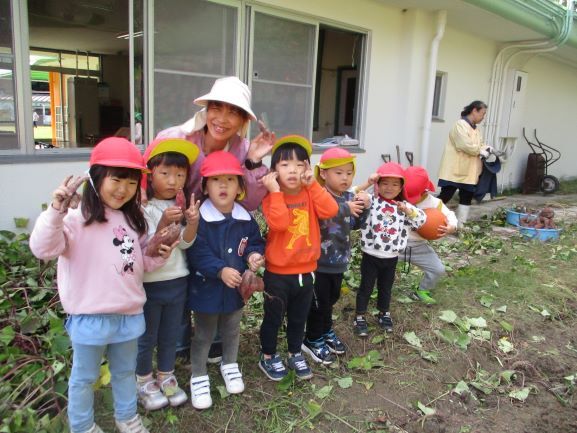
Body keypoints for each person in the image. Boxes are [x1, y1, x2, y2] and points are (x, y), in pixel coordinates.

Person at [29, 137, 178, 433]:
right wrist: (55, 210)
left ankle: (127, 417)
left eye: (132, 182)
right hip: (90, 317)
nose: (123, 189)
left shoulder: (133, 220)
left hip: (128, 315)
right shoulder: (75, 219)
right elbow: (43, 248)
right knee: (84, 378)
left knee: (124, 372)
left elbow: (138, 264)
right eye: (116, 179)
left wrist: (158, 255)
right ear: (96, 178)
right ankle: (83, 425)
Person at [155, 76, 275, 362]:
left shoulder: (243, 149)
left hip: (215, 224)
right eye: (217, 108)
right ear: (206, 109)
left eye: (233, 112)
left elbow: (249, 201)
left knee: (217, 270)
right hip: (171, 220)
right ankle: (179, 340)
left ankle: (217, 337)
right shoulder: (176, 138)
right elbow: (150, 174)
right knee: (177, 278)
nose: (222, 118)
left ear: (243, 119)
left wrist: (253, 162)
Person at [186, 151, 265, 409]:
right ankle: (198, 375)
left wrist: (253, 256)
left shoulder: (245, 218)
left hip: (235, 291)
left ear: (240, 187)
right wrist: (220, 270)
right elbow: (197, 252)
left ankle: (229, 363)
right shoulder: (200, 218)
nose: (223, 185)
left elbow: (254, 242)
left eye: (230, 180)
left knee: (232, 329)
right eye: (216, 180)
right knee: (204, 334)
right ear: (204, 186)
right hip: (206, 290)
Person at [259, 135, 338, 381]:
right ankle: (268, 356)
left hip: (307, 271)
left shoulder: (311, 193)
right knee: (273, 317)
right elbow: (280, 224)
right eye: (285, 165)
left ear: (307, 168)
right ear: (274, 171)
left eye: (299, 164)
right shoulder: (271, 198)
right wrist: (275, 192)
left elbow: (331, 210)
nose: (292, 170)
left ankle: (295, 352)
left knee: (298, 317)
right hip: (278, 274)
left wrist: (313, 185)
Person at [135, 138, 201, 410]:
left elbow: (185, 244)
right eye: (165, 173)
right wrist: (164, 221)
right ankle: (143, 380)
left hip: (177, 281)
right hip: (151, 284)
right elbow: (149, 245)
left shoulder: (180, 205)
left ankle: (166, 375)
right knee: (147, 336)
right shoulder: (143, 208)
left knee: (170, 333)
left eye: (180, 175)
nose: (173, 181)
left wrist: (192, 223)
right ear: (150, 175)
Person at [301, 148, 370, 364]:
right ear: (323, 173)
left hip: (339, 261)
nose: (345, 178)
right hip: (319, 263)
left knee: (331, 300)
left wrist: (366, 208)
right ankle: (312, 339)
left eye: (349, 173)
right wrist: (345, 208)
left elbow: (356, 224)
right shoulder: (319, 195)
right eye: (338, 173)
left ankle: (325, 330)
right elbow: (322, 214)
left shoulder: (349, 197)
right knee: (319, 303)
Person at [353, 162, 426, 338]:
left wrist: (408, 210)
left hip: (391, 257)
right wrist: (368, 182)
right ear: (378, 185)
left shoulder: (404, 207)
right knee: (366, 287)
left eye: (395, 184)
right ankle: (359, 316)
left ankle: (384, 313)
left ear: (401, 187)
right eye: (384, 183)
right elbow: (353, 194)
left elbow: (422, 220)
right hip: (371, 254)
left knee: (386, 287)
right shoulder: (372, 202)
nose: (389, 188)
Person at [398, 166, 458, 305]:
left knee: (438, 269)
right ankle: (375, 288)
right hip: (395, 244)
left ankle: (422, 290)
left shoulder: (434, 203)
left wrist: (451, 227)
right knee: (379, 265)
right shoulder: (396, 198)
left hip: (419, 246)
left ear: (425, 190)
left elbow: (450, 215)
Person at [437, 100, 492, 228]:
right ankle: (426, 219)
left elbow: (480, 144)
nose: (483, 117)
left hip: (470, 171)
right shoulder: (460, 125)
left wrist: (488, 148)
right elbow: (465, 145)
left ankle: (460, 226)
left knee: (466, 197)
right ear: (474, 110)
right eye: (482, 114)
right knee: (445, 196)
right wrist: (480, 150)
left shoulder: (475, 129)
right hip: (454, 170)